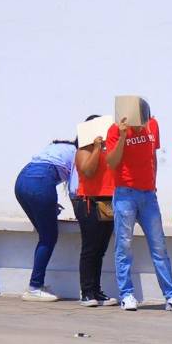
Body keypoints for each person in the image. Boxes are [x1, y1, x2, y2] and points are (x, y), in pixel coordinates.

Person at [105, 99, 172, 312]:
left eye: (145, 121)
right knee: (124, 245)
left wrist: (154, 183)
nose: (142, 126)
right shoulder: (114, 130)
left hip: (148, 194)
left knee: (159, 246)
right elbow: (111, 162)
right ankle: (127, 294)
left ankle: (171, 295)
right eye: (139, 123)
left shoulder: (153, 125)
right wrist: (122, 136)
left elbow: (153, 156)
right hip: (125, 194)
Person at [14, 137, 79, 301]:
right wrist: (80, 216)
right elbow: (74, 190)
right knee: (48, 237)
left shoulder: (58, 146)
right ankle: (35, 287)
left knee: (44, 234)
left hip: (21, 181)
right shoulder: (79, 154)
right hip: (41, 183)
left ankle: (36, 285)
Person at [73, 116, 118, 306]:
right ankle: (86, 291)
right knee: (90, 248)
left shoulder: (110, 148)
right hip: (89, 201)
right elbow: (87, 172)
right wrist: (97, 148)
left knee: (100, 249)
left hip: (108, 201)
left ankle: (96, 289)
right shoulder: (84, 150)